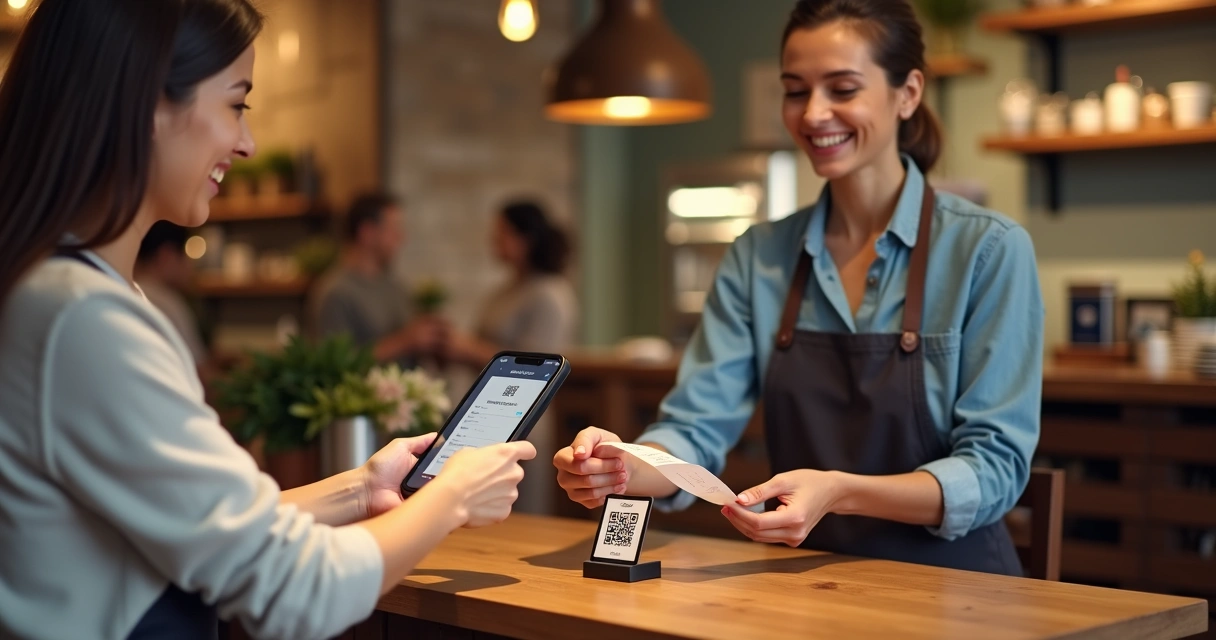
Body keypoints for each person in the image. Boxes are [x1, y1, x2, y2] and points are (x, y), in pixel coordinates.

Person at [0, 2, 534, 639]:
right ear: (145, 104)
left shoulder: (62, 294)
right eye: (236, 104)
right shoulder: (81, 318)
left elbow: (217, 530)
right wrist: (452, 497)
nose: (248, 143)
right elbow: (295, 591)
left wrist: (361, 488)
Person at [554, 0, 1044, 577]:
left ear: (908, 93)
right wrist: (622, 466)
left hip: (960, 590)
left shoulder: (988, 250)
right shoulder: (758, 257)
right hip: (804, 586)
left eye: (843, 89)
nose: (813, 114)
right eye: (795, 91)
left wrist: (840, 491)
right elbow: (694, 428)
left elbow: (994, 470)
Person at [309, 193, 447, 366]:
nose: (401, 238)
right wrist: (404, 341)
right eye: (394, 229)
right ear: (367, 233)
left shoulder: (396, 286)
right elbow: (336, 364)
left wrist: (434, 341)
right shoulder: (336, 293)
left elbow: (412, 348)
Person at [443, 199, 579, 366]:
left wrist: (467, 349)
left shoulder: (549, 294)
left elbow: (535, 364)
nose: (494, 239)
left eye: (503, 232)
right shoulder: (507, 289)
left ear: (527, 239)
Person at [135, 221, 210, 370]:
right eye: (186, 255)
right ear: (166, 255)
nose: (190, 266)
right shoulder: (167, 302)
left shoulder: (125, 291)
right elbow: (198, 371)